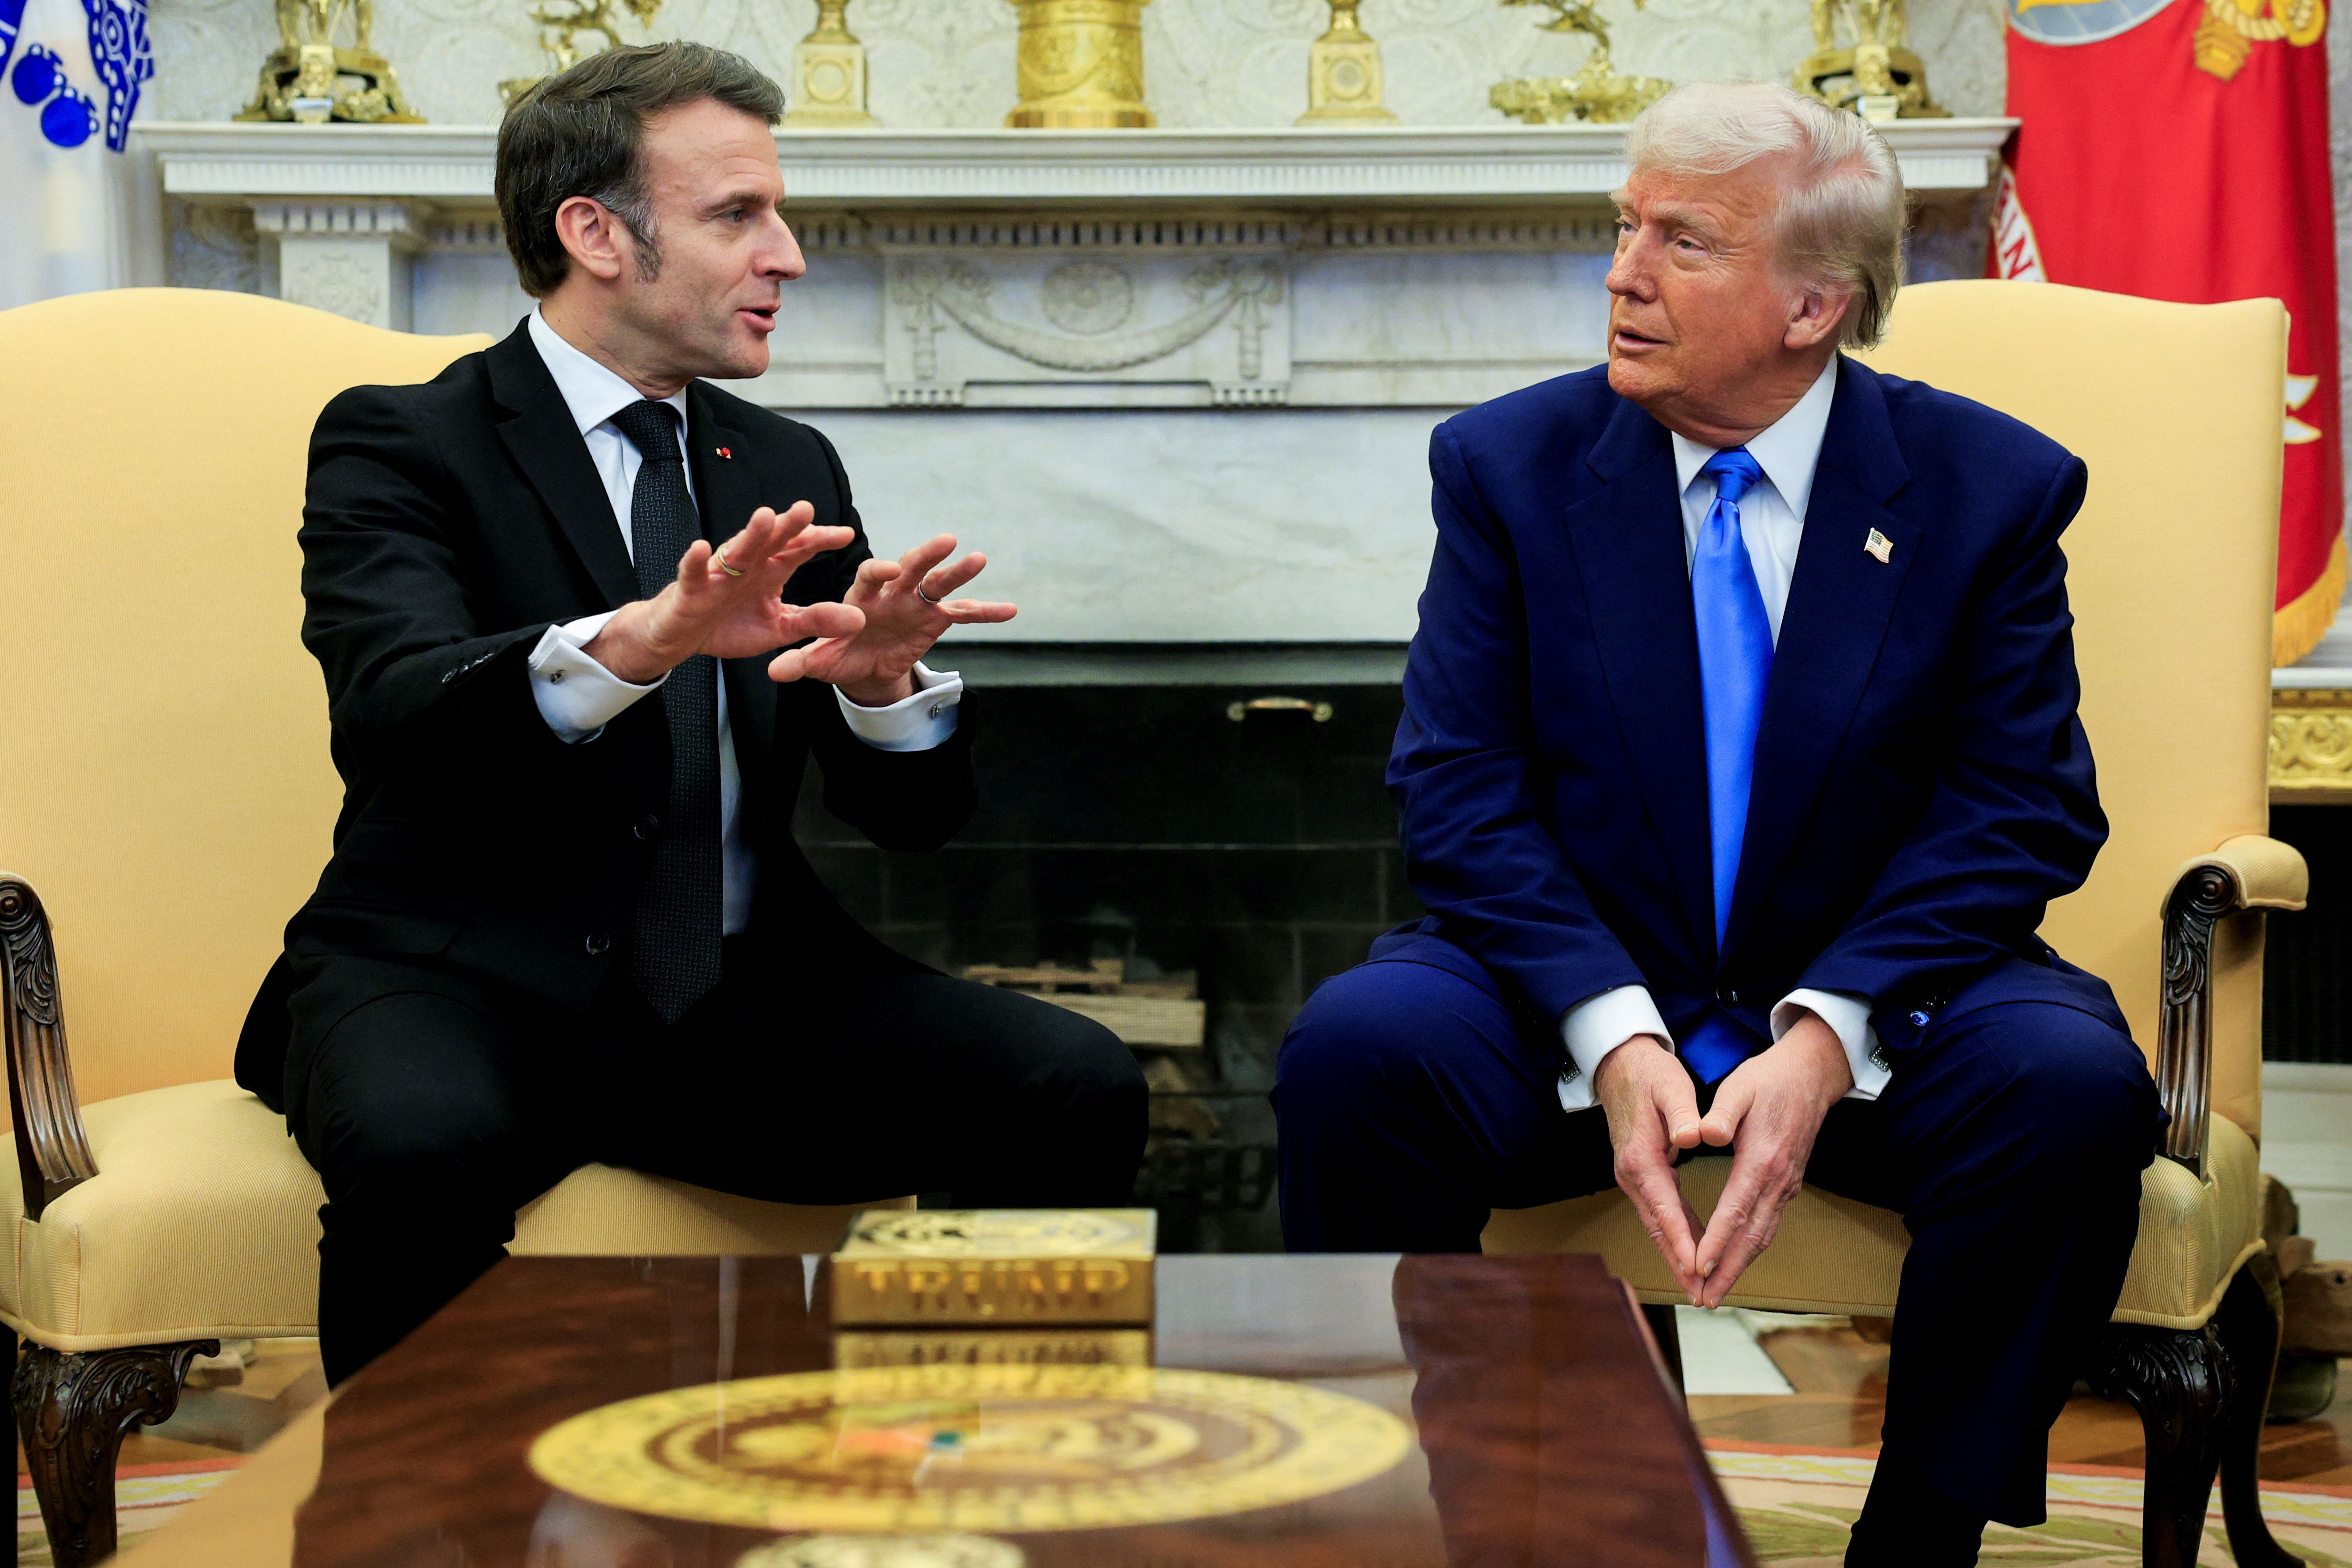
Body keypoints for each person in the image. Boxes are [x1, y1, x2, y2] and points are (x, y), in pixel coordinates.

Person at [1273, 81, 2160, 1566]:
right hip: (1572, 969)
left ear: (1814, 302)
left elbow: (2021, 806)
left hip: (1882, 986)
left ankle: (1923, 1527)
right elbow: (1457, 786)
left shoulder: (1984, 488)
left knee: (2067, 1086)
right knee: (1360, 1054)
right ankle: (1477, 1507)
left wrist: (1824, 1032)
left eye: (1679, 243)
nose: (1620, 273)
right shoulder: (1506, 468)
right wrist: (1609, 1027)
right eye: (1623, 228)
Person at [234, 41, 1146, 1387]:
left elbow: (915, 821)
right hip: (456, 975)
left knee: (1069, 1081)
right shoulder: (402, 439)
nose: (786, 256)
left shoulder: (779, 461)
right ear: (594, 232)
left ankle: (970, 1470)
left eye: (778, 214)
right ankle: (417, 1527)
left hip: (730, 990)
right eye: (737, 216)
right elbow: (393, 713)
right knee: (422, 1150)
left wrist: (886, 690)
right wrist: (640, 640)